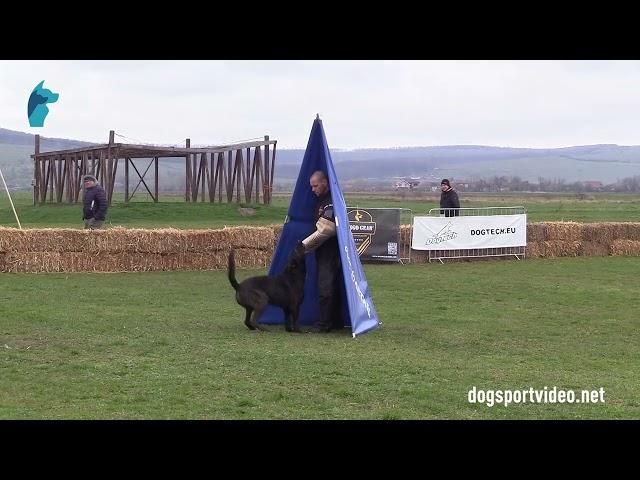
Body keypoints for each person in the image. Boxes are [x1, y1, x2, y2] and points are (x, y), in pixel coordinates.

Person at [301, 170, 343, 333]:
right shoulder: (322, 200)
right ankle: (336, 321)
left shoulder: (330, 201)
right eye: (311, 186)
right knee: (332, 285)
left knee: (325, 287)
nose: (313, 190)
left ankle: (323, 324)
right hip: (323, 250)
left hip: (329, 250)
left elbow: (326, 230)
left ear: (325, 182)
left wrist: (303, 247)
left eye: (315, 186)